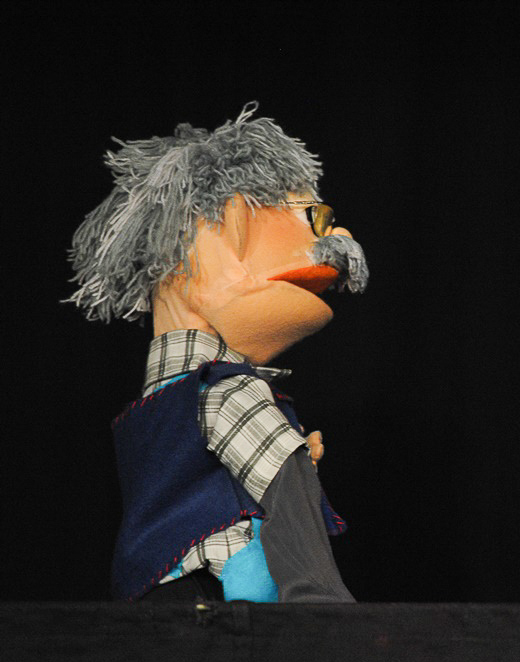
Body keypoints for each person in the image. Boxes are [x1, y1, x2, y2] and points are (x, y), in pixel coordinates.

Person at [67, 103, 368, 603]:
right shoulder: (226, 390)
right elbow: (285, 494)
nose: (335, 238)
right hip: (226, 602)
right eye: (309, 216)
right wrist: (322, 611)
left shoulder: (155, 407)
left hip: (148, 600)